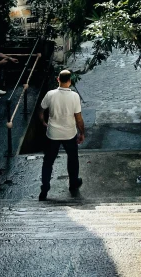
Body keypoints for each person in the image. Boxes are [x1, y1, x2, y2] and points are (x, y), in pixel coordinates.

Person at [38, 70, 85, 201]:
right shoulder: (75, 96)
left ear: (58, 79)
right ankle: (73, 183)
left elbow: (41, 110)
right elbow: (79, 118)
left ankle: (45, 188)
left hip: (52, 133)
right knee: (73, 159)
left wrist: (43, 122)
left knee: (48, 161)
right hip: (69, 133)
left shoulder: (50, 94)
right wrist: (82, 133)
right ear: (70, 81)